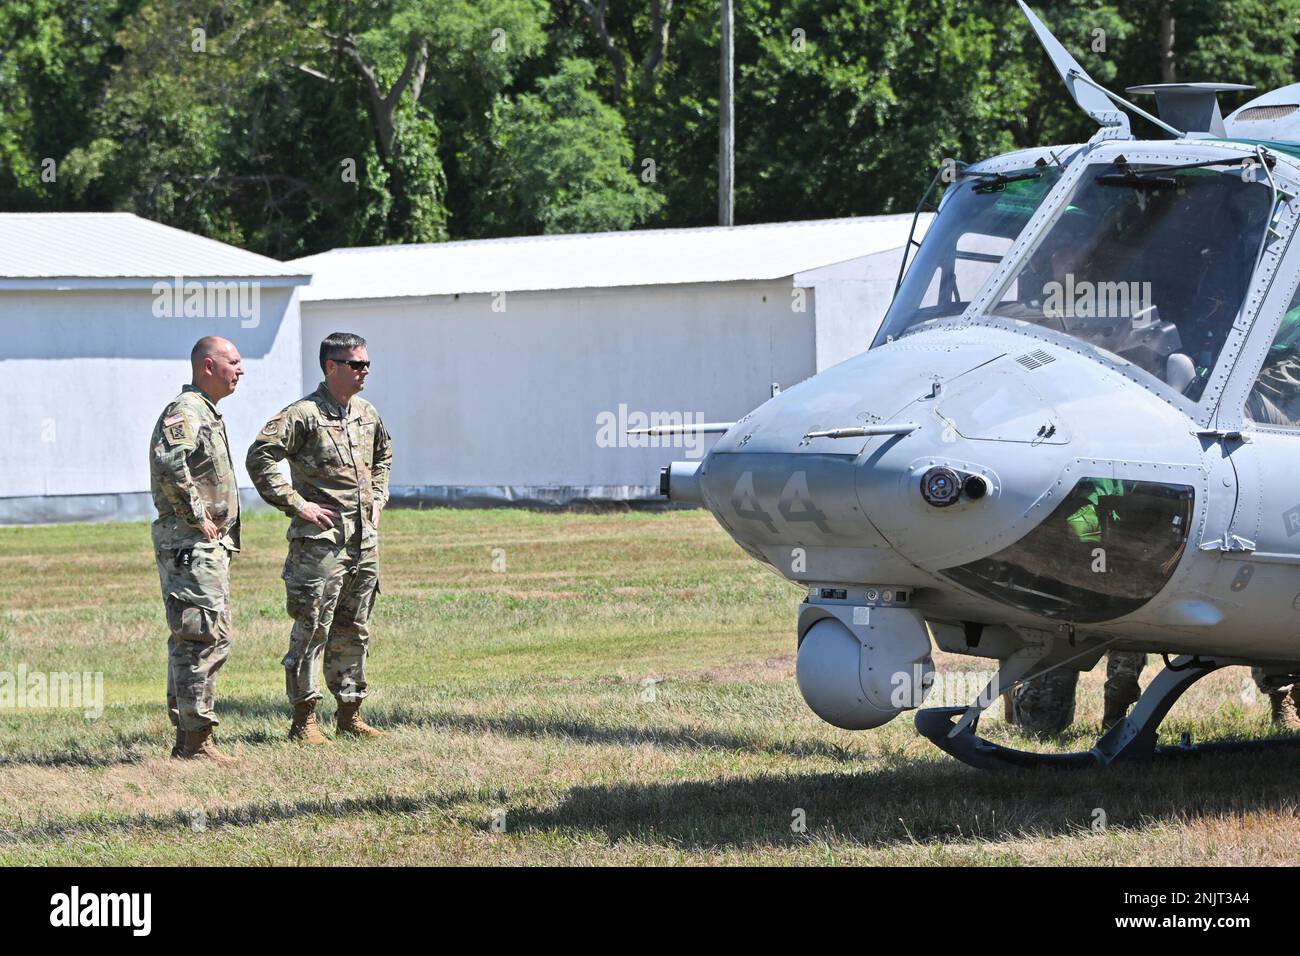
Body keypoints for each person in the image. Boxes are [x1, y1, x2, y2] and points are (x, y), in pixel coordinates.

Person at [246, 332, 392, 744]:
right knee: (313, 629)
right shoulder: (303, 415)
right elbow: (261, 457)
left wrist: (378, 496)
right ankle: (304, 720)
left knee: (354, 627)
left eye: (367, 364)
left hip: (363, 543)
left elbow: (384, 456)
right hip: (320, 546)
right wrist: (297, 504)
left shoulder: (366, 413)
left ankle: (350, 714)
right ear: (331, 367)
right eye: (356, 365)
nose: (364, 372)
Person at [148, 335, 244, 764]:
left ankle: (189, 735)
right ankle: (195, 741)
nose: (240, 370)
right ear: (208, 366)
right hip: (191, 544)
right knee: (199, 638)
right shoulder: (185, 411)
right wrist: (196, 516)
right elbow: (169, 462)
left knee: (204, 634)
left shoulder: (205, 411)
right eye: (233, 362)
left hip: (203, 544)